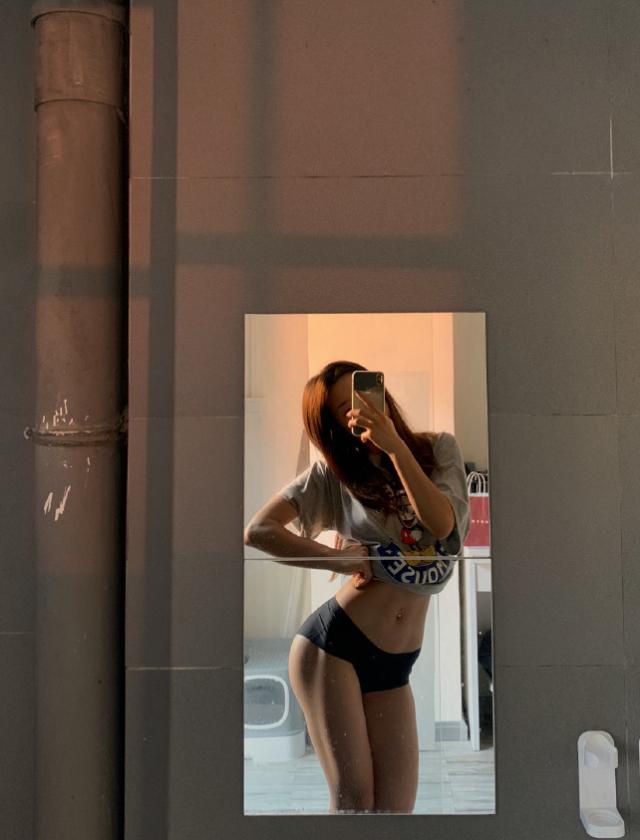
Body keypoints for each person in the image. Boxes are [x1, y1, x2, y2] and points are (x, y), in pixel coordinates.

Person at [243, 360, 470, 814]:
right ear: (334, 426)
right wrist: (337, 559)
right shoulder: (333, 476)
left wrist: (394, 447)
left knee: (395, 810)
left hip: (396, 663)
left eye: (364, 395)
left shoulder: (438, 449)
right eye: (344, 407)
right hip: (333, 647)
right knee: (353, 802)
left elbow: (443, 526)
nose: (361, 408)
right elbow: (259, 530)